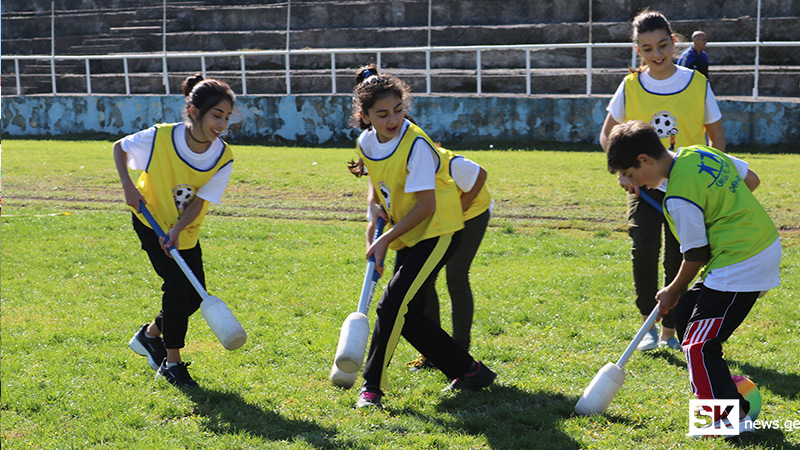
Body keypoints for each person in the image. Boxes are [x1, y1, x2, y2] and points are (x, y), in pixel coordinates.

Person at [605, 120, 781, 435]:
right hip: (752, 247)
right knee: (687, 315)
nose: (633, 183)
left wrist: (671, 290)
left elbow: (695, 255)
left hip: (742, 260)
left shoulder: (678, 199)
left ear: (645, 160)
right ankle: (725, 391)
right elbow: (750, 180)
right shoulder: (697, 153)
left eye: (631, 175)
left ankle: (727, 420)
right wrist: (725, 211)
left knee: (699, 345)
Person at [347, 64, 496, 409]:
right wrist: (374, 214)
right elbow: (376, 181)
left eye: (398, 110)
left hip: (438, 230)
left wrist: (384, 241)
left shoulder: (416, 145)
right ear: (365, 116)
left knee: (391, 305)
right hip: (409, 233)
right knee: (410, 313)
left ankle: (371, 387)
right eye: (382, 114)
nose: (393, 119)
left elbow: (426, 206)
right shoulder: (366, 143)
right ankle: (469, 370)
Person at [599, 10, 725, 352]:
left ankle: (670, 329)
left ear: (673, 41)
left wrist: (706, 182)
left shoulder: (697, 83)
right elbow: (607, 135)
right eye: (646, 48)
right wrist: (626, 173)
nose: (656, 55)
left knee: (678, 259)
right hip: (644, 189)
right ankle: (647, 326)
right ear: (637, 49)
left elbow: (717, 140)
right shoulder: (629, 86)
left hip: (686, 192)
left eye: (662, 45)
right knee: (643, 251)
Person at [114, 74, 235, 387]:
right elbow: (119, 148)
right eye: (216, 115)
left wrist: (179, 230)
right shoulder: (160, 137)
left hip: (186, 230)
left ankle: (150, 334)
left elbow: (200, 201)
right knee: (177, 286)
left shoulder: (223, 156)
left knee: (194, 298)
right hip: (149, 220)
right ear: (194, 111)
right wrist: (129, 187)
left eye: (226, 117)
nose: (221, 124)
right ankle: (172, 362)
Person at [405, 149, 491, 371]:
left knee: (456, 276)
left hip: (471, 215)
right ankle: (435, 352)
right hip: (438, 220)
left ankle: (460, 351)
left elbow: (480, 175)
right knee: (425, 280)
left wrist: (457, 209)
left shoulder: (444, 160)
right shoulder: (398, 164)